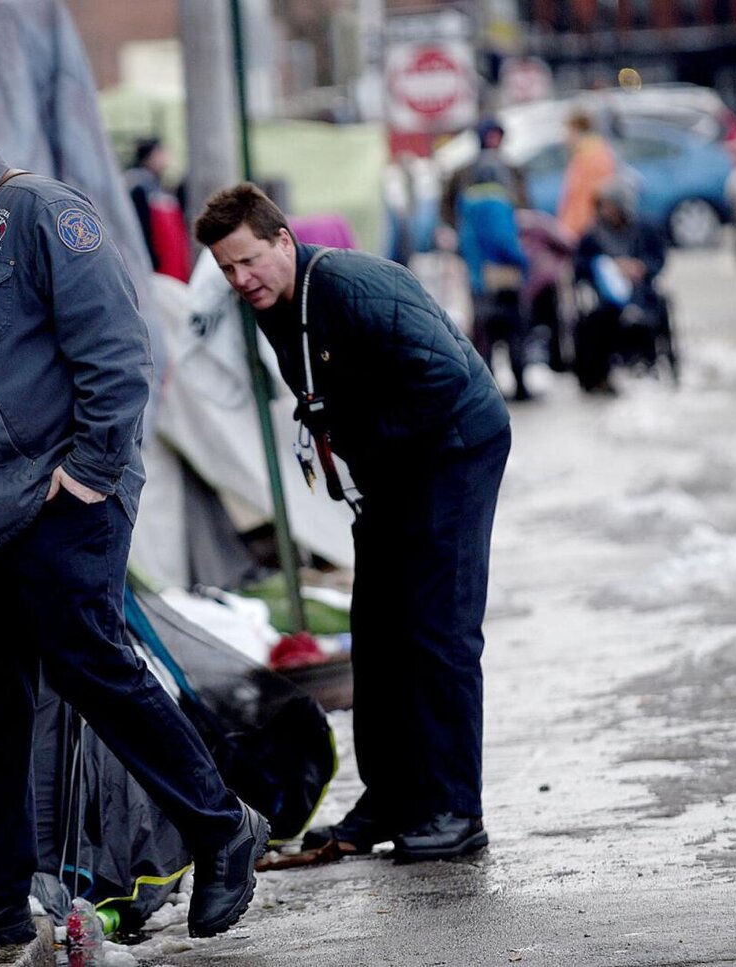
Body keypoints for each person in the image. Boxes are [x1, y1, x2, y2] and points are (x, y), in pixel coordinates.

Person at [0, 92, 268, 947]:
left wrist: (92, 474)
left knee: (93, 667)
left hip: (55, 501)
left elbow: (118, 351)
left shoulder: (40, 214)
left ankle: (222, 828)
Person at [194, 183, 511, 864]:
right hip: (395, 465)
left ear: (284, 239)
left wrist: (369, 442)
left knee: (439, 631)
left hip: (455, 446)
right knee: (379, 631)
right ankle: (391, 796)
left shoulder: (346, 285)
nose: (240, 279)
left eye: (248, 260)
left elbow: (446, 378)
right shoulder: (276, 301)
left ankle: (458, 808)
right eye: (226, 269)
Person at [441, 118, 533, 400]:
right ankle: (517, 383)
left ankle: (487, 387)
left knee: (484, 332)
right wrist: (523, 260)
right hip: (503, 274)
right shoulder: (494, 196)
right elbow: (507, 235)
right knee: (513, 330)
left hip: (478, 273)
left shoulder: (467, 200)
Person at [571, 179, 668, 394]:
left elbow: (658, 260)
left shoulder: (644, 228)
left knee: (646, 315)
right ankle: (599, 377)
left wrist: (640, 268)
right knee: (593, 322)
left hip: (641, 293)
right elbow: (579, 267)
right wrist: (609, 267)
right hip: (605, 299)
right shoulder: (593, 235)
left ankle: (646, 365)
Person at [124, 136, 192, 281]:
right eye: (161, 153)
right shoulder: (138, 186)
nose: (166, 158)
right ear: (151, 156)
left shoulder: (156, 184)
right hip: (157, 263)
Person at [556, 109, 618, 240]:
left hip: (583, 232)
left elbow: (587, 200)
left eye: (567, 131)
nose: (564, 137)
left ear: (576, 130)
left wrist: (570, 230)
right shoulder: (584, 155)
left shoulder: (592, 157)